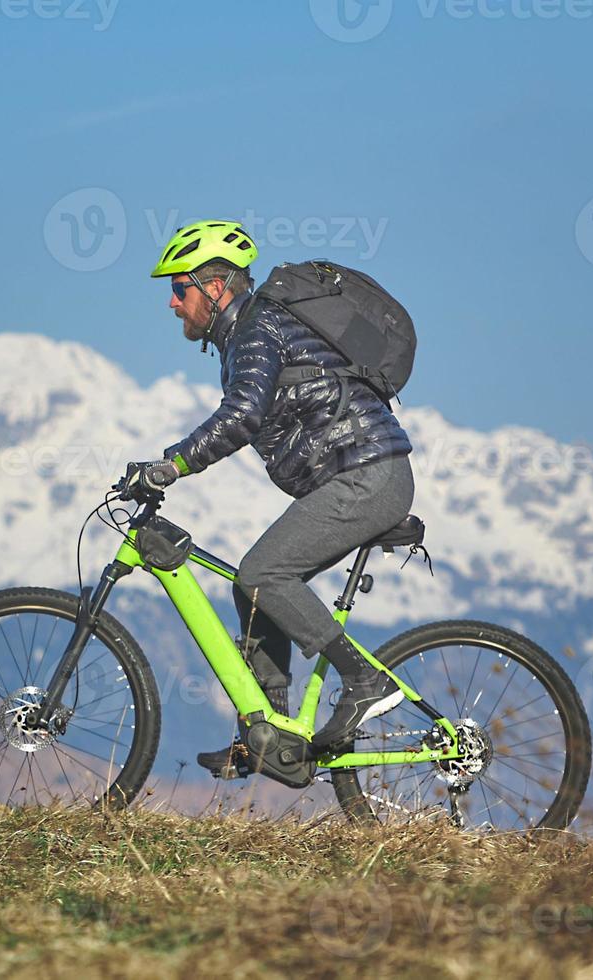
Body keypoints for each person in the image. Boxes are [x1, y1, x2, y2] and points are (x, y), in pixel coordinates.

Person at [131, 220, 418, 776]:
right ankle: (267, 732)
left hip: (369, 473)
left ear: (214, 289)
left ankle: (364, 679)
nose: (171, 303)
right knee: (253, 587)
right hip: (358, 473)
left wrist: (171, 464)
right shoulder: (248, 333)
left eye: (179, 289)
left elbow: (243, 417)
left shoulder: (258, 327)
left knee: (261, 574)